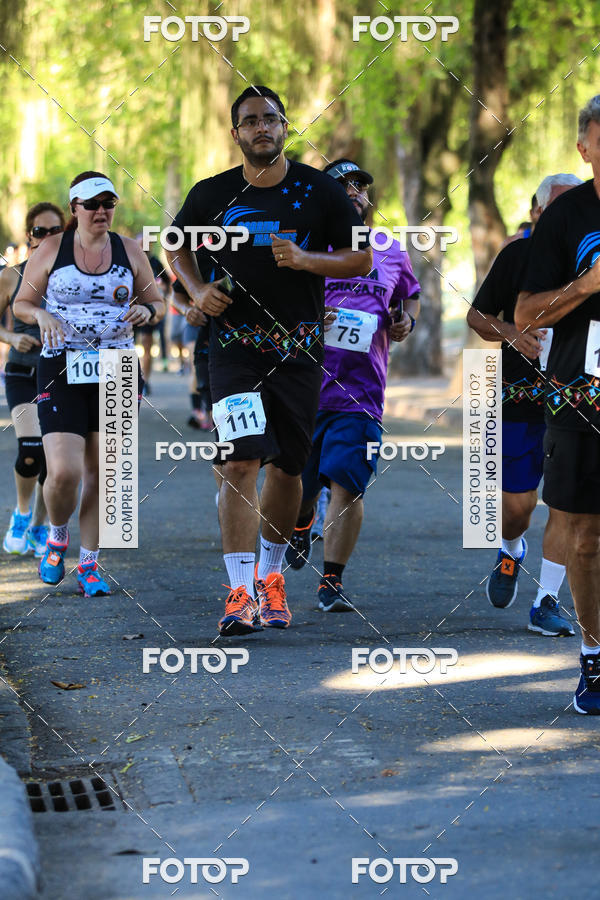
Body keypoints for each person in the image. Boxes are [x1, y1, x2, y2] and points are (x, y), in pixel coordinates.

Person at [166, 86, 371, 636]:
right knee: (238, 462)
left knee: (288, 470)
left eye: (271, 119)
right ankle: (238, 593)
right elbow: (175, 244)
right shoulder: (211, 194)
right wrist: (193, 290)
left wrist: (307, 260)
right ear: (235, 134)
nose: (262, 127)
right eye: (250, 121)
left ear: (285, 128)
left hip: (300, 351)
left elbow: (361, 256)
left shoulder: (321, 191)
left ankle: (272, 577)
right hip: (233, 350)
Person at [13, 171, 165, 596]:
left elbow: (157, 300)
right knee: (63, 472)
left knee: (106, 473)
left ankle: (90, 563)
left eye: (108, 203)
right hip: (61, 365)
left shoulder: (129, 250)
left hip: (116, 367)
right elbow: (21, 302)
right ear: (74, 208)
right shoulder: (51, 249)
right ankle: (57, 536)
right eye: (92, 204)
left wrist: (148, 313)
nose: (102, 211)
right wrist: (41, 315)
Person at [284, 159, 420, 610]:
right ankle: (301, 523)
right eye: (341, 186)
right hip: (303, 386)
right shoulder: (304, 246)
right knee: (299, 488)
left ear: (369, 197)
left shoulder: (390, 249)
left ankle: (332, 581)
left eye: (359, 185)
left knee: (349, 483)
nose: (352, 192)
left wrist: (406, 322)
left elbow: (410, 295)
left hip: (361, 393)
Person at [514, 94, 600, 713]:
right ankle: (594, 662)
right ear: (584, 149)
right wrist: (587, 286)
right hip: (581, 397)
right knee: (587, 536)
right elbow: (524, 315)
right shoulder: (567, 217)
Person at [468, 174, 582, 636]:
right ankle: (511, 549)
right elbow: (476, 317)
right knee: (517, 508)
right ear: (536, 214)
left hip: (576, 403)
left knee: (570, 508)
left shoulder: (590, 262)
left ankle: (546, 600)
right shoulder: (517, 255)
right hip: (519, 403)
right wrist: (512, 333)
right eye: (552, 209)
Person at [0, 203, 65, 555]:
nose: (47, 238)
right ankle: (21, 515)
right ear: (29, 236)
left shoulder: (75, 276)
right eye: (40, 232)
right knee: (30, 448)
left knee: (55, 459)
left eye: (55, 231)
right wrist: (12, 338)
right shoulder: (12, 275)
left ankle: (41, 526)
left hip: (59, 376)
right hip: (23, 372)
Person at [135, 237, 171, 394]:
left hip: (147, 312)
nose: (144, 247)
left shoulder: (156, 263)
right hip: (126, 316)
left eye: (147, 244)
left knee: (147, 346)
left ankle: (145, 381)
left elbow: (168, 285)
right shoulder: (128, 258)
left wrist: (162, 293)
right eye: (141, 244)